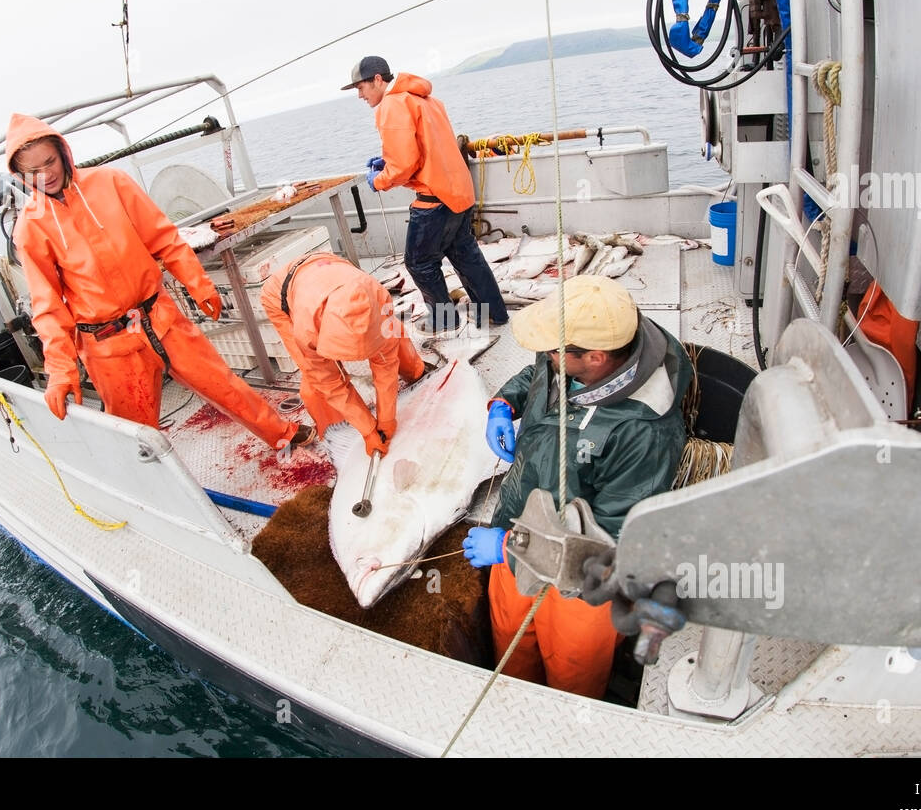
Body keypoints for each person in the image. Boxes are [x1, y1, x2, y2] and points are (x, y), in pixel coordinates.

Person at [6, 113, 313, 454]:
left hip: (162, 318)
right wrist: (61, 371)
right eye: (33, 171)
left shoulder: (111, 182)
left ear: (63, 153)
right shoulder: (30, 228)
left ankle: (281, 431)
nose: (45, 175)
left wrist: (198, 284)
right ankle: (152, 492)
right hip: (109, 347)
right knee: (136, 437)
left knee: (224, 384)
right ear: (20, 175)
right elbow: (47, 308)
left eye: (49, 161)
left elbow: (164, 238)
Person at [461, 275, 690, 698]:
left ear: (596, 357)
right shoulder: (579, 355)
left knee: (572, 673)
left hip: (582, 585)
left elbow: (612, 542)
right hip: (519, 535)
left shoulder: (645, 434)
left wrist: (511, 544)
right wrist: (503, 403)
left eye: (554, 350)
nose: (546, 356)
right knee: (510, 649)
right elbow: (540, 373)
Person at [343, 55, 509, 334]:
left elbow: (405, 165)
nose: (359, 95)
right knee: (466, 255)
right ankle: (495, 313)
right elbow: (430, 146)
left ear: (377, 80)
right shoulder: (427, 100)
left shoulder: (391, 106)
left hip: (435, 200)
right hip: (459, 192)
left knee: (419, 263)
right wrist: (388, 161)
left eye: (361, 87)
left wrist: (379, 180)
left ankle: (445, 322)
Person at [260, 252, 428, 455]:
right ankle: (340, 436)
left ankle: (416, 371)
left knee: (393, 337)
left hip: (328, 268)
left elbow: (386, 360)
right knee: (316, 383)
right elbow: (329, 382)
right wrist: (367, 430)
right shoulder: (306, 331)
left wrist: (386, 419)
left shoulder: (379, 297)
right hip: (282, 295)